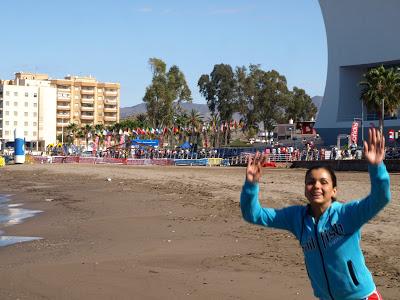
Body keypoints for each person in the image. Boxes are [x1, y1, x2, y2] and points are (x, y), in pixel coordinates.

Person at [240, 128, 390, 300]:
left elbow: (381, 198)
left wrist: (377, 167)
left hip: (361, 296)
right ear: (305, 190)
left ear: (334, 191)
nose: (317, 186)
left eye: (323, 182)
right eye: (311, 182)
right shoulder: (296, 218)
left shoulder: (347, 214)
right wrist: (251, 185)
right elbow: (253, 214)